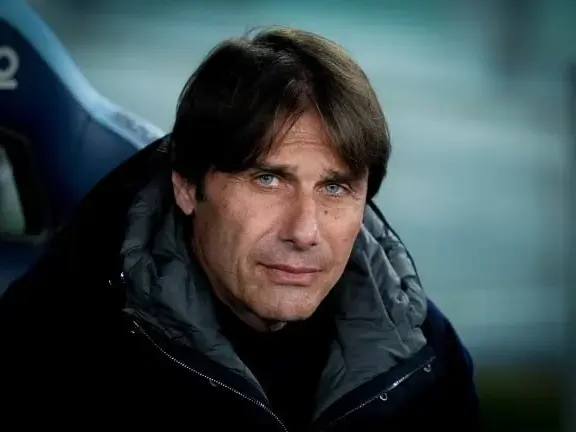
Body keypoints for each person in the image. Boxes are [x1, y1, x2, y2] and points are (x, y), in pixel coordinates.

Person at [0, 27, 479, 430]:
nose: (304, 231)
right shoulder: (55, 345)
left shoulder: (423, 358)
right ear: (187, 185)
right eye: (268, 179)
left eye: (335, 188)